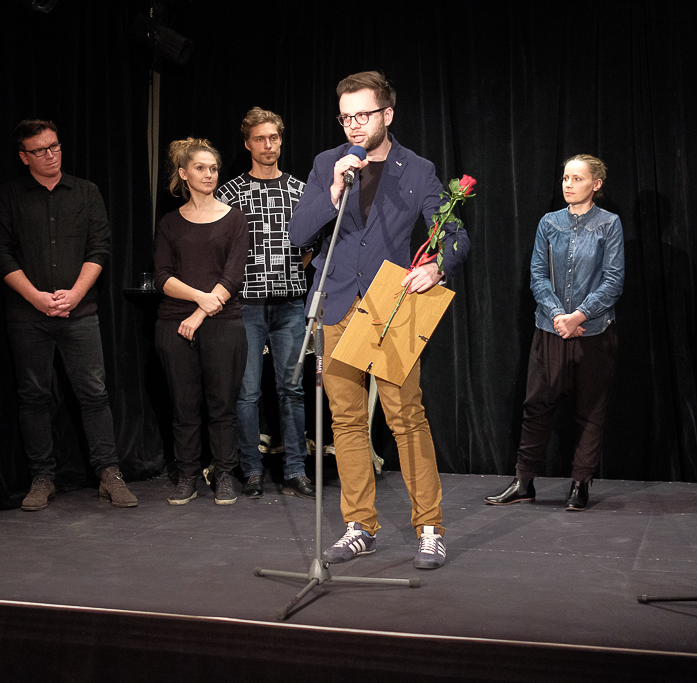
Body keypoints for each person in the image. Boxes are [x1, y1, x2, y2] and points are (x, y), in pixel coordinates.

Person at [288, 71, 470, 570]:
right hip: (336, 303)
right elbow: (299, 234)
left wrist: (437, 266)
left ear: (387, 114)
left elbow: (453, 233)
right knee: (345, 421)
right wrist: (332, 190)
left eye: (363, 115)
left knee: (406, 418)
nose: (353, 125)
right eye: (345, 117)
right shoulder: (328, 163)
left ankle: (429, 528)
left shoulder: (417, 169)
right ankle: (359, 526)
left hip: (390, 306)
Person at [0, 119, 137, 511]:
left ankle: (109, 473)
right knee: (34, 396)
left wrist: (75, 294)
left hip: (80, 311)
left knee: (94, 393)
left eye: (54, 146)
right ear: (24, 157)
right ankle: (43, 476)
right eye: (40, 150)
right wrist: (36, 297)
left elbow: (99, 247)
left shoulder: (86, 192)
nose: (51, 155)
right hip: (27, 315)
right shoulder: (9, 196)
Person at [485, 155, 624, 512]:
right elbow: (537, 274)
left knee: (590, 410)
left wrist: (579, 315)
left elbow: (613, 280)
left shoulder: (609, 224)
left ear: (596, 184)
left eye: (577, 178)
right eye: (565, 178)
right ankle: (523, 481)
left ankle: (580, 483)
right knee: (536, 406)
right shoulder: (549, 222)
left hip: (593, 332)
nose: (568, 184)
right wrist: (559, 315)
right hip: (551, 329)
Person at [216, 108, 314, 500]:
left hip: (289, 305)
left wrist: (287, 273)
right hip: (245, 306)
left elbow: (312, 243)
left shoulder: (299, 190)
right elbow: (218, 247)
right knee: (247, 393)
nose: (268, 145)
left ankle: (295, 469)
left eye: (274, 137)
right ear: (247, 144)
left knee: (292, 390)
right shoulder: (230, 193)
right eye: (260, 138)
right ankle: (252, 470)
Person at [154, 138, 248, 506]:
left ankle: (223, 474)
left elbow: (233, 276)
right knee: (184, 405)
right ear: (183, 173)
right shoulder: (170, 223)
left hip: (223, 322)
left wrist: (199, 313)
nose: (209, 174)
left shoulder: (234, 218)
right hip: (174, 324)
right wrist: (199, 298)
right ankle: (187, 475)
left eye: (213, 169)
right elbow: (163, 277)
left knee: (222, 404)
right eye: (200, 168)